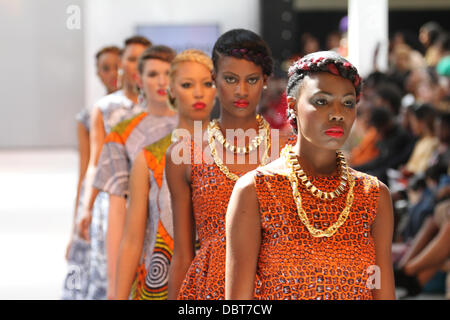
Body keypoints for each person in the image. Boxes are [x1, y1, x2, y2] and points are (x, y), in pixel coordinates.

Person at [225, 51, 396, 300]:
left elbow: (383, 292)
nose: (337, 113)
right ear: (293, 106)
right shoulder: (256, 190)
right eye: (322, 101)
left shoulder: (373, 195)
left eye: (348, 103)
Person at [167, 29, 280, 300]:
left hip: (278, 287)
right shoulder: (185, 154)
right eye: (230, 79)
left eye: (251, 80)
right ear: (214, 80)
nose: (241, 90)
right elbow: (182, 254)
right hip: (209, 291)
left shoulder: (289, 151)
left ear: (265, 80)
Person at [114, 49, 216, 300]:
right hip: (157, 284)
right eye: (186, 85)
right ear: (171, 90)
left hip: (219, 283)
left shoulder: (238, 153)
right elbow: (132, 239)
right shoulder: (149, 158)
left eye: (208, 83)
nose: (198, 93)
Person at [92, 45, 178, 299]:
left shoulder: (203, 129)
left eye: (168, 73)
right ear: (139, 79)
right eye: (153, 74)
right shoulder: (122, 134)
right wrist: (114, 288)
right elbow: (117, 211)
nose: (162, 81)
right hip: (149, 259)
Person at [77, 35, 151, 299]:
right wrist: (84, 208)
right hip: (113, 203)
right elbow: (94, 162)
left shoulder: (163, 108)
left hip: (153, 205)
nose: (135, 65)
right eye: (130, 58)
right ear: (122, 63)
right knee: (112, 278)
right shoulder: (105, 108)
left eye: (142, 59)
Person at [62, 45, 121, 300]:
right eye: (105, 68)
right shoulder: (89, 116)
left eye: (117, 66)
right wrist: (77, 221)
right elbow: (87, 169)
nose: (113, 73)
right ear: (97, 73)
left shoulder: (144, 111)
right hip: (102, 203)